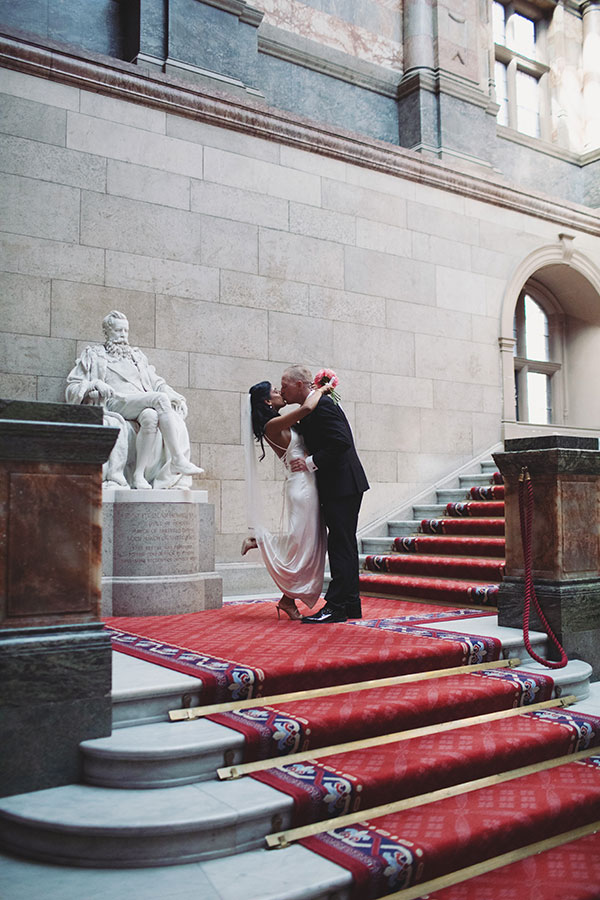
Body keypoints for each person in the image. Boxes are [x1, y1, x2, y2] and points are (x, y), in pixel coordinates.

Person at [66, 310, 203, 490]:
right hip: (115, 402)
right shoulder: (94, 354)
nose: (123, 335)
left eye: (126, 331)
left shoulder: (136, 357)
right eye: (118, 331)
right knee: (160, 400)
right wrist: (96, 383)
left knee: (150, 417)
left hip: (140, 403)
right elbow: (74, 386)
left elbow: (156, 382)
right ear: (107, 332)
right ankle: (178, 459)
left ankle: (139, 476)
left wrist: (174, 395)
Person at [280, 365, 369, 623]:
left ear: (300, 384)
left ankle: (336, 606)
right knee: (344, 544)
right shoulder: (313, 405)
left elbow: (341, 442)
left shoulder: (323, 405)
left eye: (285, 385)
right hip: (340, 485)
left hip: (342, 485)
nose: (282, 390)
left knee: (340, 545)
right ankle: (351, 604)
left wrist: (309, 463)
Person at [242, 380, 332, 620]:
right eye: (274, 391)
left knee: (306, 543)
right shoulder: (271, 425)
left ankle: (287, 601)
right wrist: (321, 390)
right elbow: (305, 410)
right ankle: (259, 540)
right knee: (301, 544)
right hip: (301, 487)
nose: (280, 393)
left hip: (306, 483)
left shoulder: (280, 422)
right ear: (267, 401)